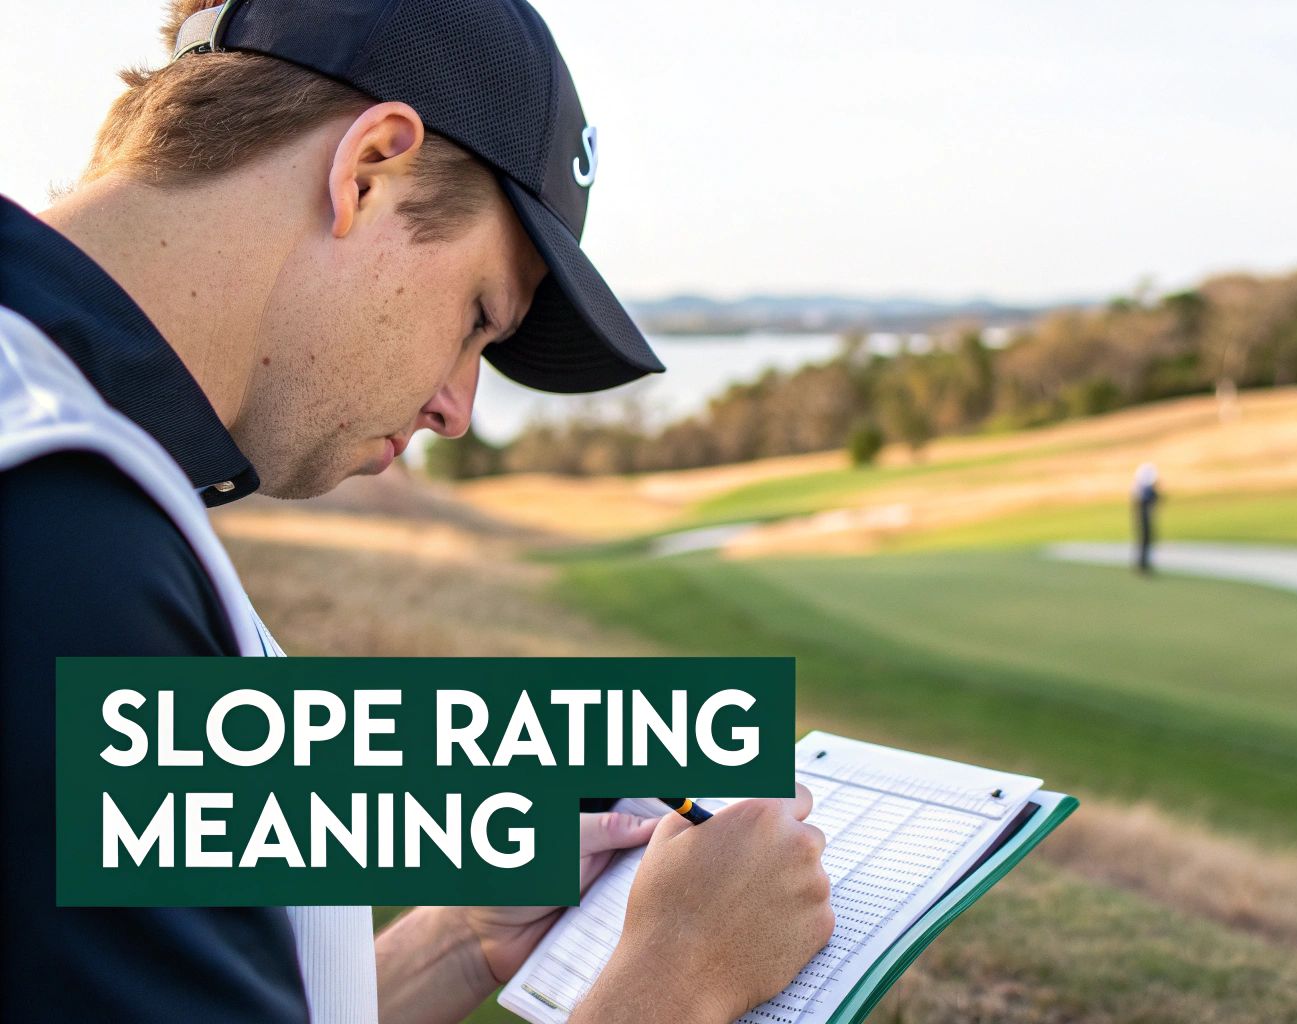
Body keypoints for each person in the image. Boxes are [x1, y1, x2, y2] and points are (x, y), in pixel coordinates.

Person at [0, 2, 833, 1022]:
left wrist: (447, 944)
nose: (457, 408)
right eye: (477, 317)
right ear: (368, 168)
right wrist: (676, 976)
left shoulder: (73, 458)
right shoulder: (58, 522)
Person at [1132, 463, 1161, 574]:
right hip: (1143, 520)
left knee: (1146, 542)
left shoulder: (1144, 490)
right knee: (1144, 541)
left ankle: (1144, 564)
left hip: (1147, 520)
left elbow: (1157, 499)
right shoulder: (1142, 491)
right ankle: (1142, 565)